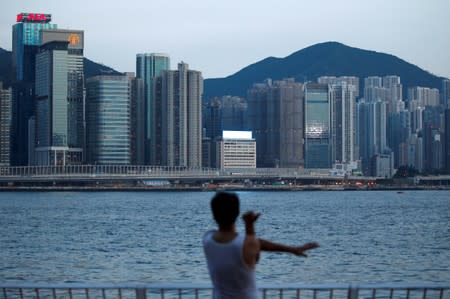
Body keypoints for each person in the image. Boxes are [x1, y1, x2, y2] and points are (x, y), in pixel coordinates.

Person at [203, 192, 319, 299]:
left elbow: (251, 244)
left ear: (213, 214)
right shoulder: (246, 243)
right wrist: (249, 225)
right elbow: (254, 256)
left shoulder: (207, 239)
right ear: (237, 213)